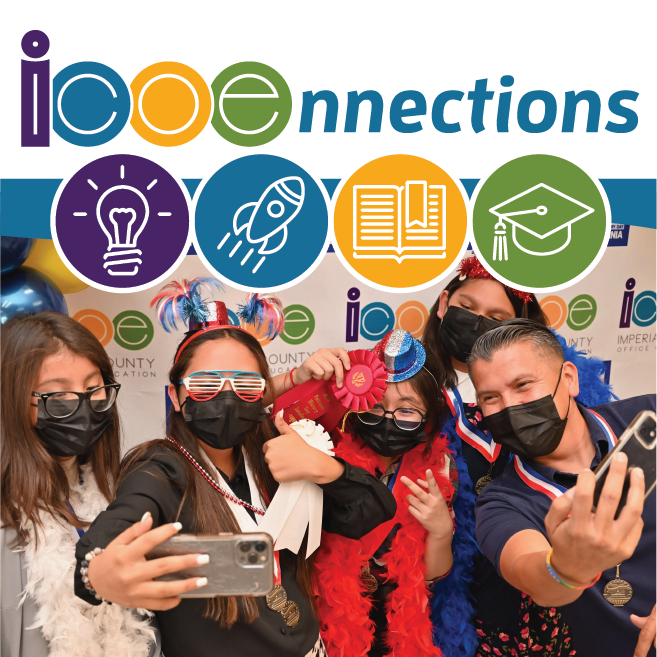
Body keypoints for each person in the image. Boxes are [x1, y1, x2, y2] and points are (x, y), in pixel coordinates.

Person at [73, 280, 396, 657]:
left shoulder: (277, 457)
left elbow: (374, 511)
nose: (226, 398)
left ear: (262, 396)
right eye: (206, 384)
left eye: (245, 385)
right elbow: (112, 533)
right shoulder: (160, 468)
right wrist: (97, 572)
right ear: (176, 396)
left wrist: (323, 468)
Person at [422, 254, 615, 657]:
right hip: (468, 602)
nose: (477, 322)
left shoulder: (560, 398)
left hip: (573, 603)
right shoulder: (409, 398)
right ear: (443, 306)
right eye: (467, 308)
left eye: (495, 315)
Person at [471, 319, 656, 657]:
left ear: (568, 378)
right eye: (490, 398)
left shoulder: (648, 415)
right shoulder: (499, 504)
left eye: (523, 385)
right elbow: (531, 574)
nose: (510, 406)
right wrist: (567, 568)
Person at [309, 329, 477, 657]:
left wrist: (441, 530)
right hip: (333, 613)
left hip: (399, 618)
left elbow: (433, 574)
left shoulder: (440, 470)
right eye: (374, 406)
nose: (387, 420)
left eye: (407, 410)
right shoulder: (326, 451)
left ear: (429, 416)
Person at [0, 312, 158, 657]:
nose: (82, 407)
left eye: (93, 389)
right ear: (11, 401)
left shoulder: (119, 496)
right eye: (57, 397)